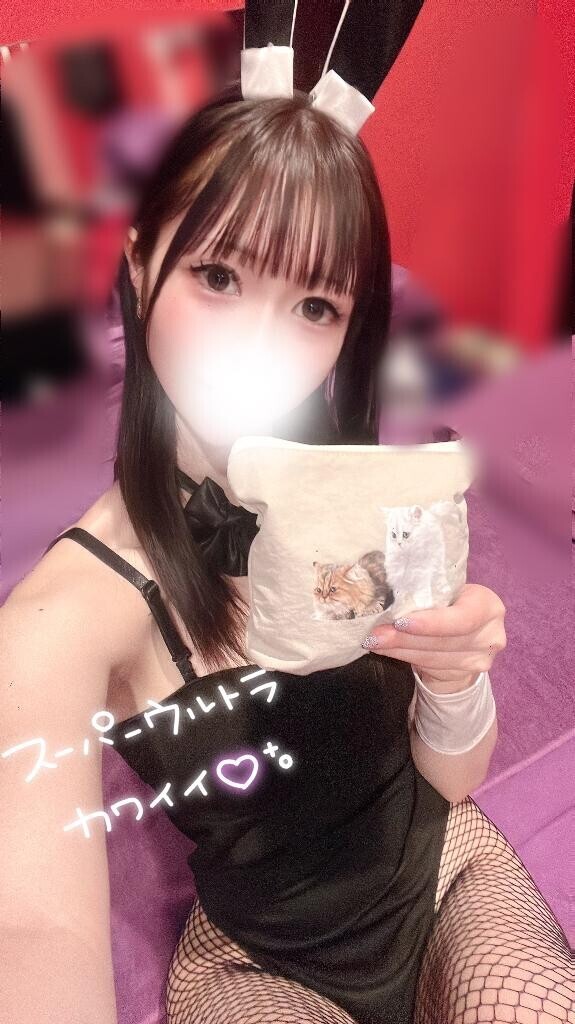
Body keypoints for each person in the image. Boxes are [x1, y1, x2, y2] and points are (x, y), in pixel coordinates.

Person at [2, 8, 573, 1024]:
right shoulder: (61, 618)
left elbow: (444, 780)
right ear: (140, 263)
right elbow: (33, 933)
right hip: (257, 961)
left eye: (314, 306)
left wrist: (452, 683)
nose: (261, 346)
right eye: (218, 276)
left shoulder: (373, 497)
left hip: (447, 868)